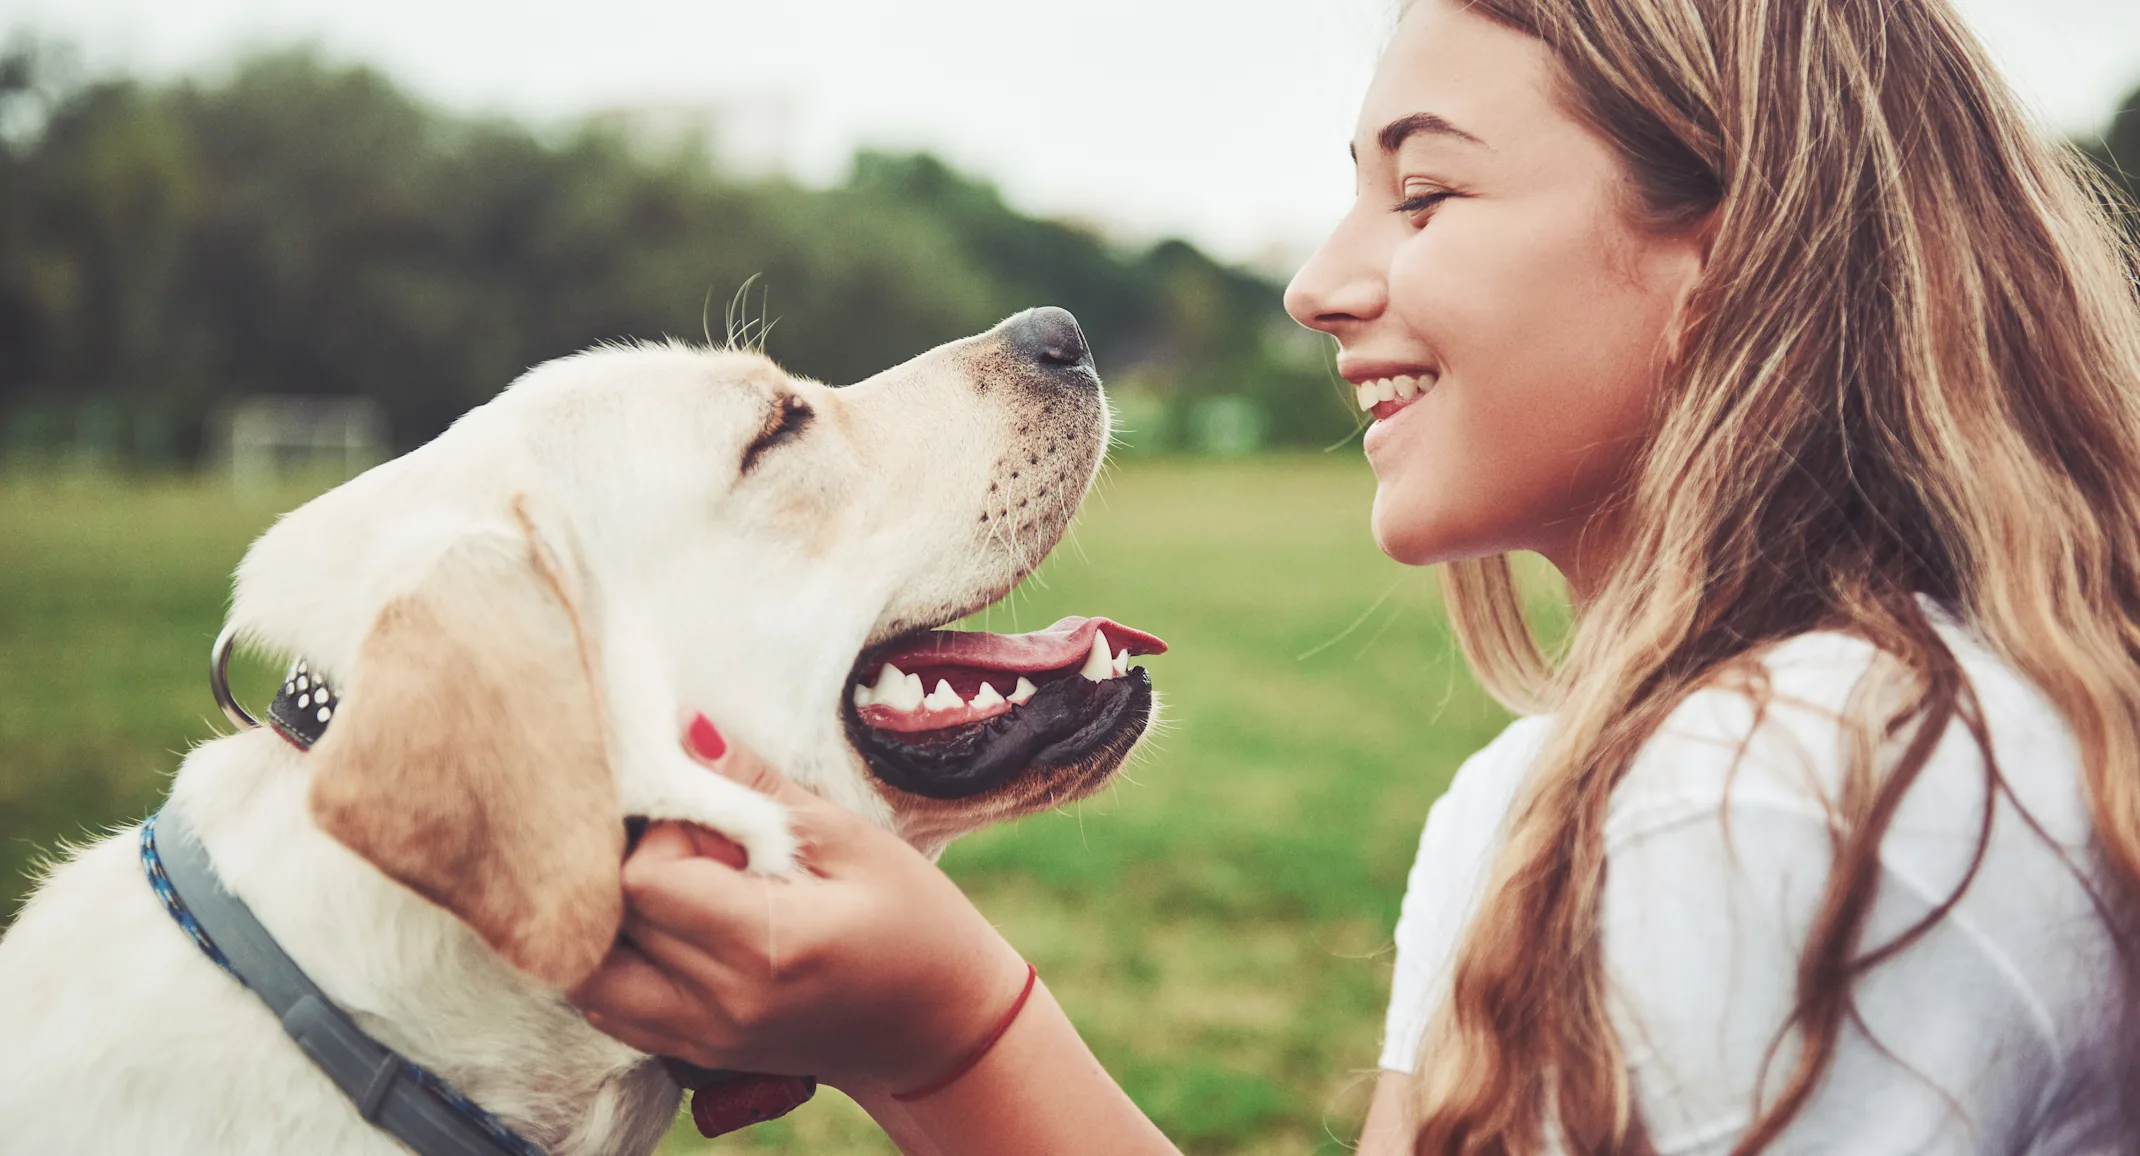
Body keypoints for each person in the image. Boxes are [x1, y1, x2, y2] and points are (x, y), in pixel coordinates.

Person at [570, 0, 2140, 1151]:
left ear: (1737, 256)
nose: (1319, 286)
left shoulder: (1774, 790)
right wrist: (930, 1038)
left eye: (1428, 192)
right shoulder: (1542, 801)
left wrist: (947, 1034)